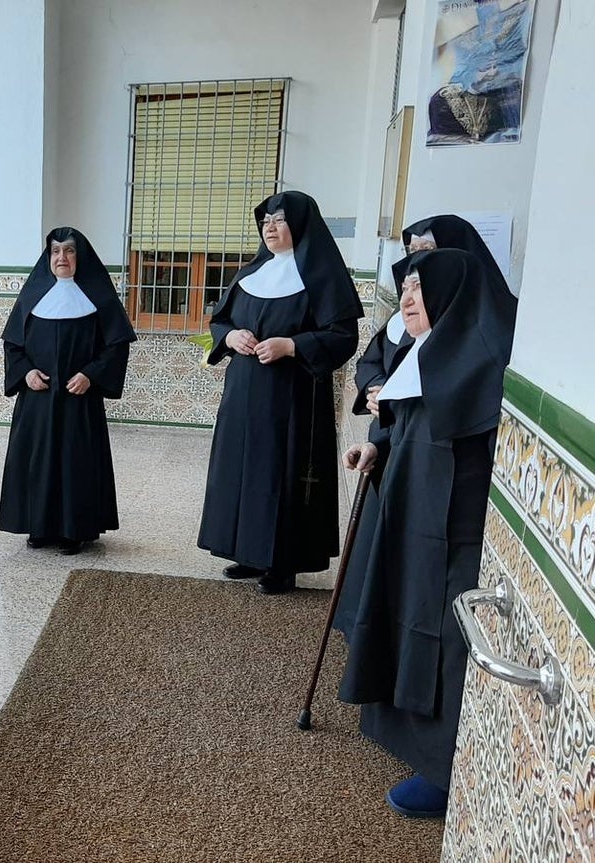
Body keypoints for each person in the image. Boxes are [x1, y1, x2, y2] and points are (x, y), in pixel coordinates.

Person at [338, 248, 517, 819]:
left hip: (455, 533)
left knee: (445, 640)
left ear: (451, 297)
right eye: (405, 287)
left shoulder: (483, 363)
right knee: (403, 614)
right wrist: (376, 442)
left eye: (418, 287)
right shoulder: (426, 353)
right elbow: (405, 416)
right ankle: (408, 742)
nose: (407, 298)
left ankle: (445, 770)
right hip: (409, 515)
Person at [336, 213, 514, 638]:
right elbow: (389, 374)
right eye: (409, 275)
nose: (409, 296)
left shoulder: (488, 348)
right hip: (401, 482)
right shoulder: (411, 330)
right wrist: (381, 437)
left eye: (426, 261)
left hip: (447, 519)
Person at [197, 191, 362, 594]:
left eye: (280, 220)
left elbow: (343, 336)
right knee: (243, 470)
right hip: (244, 395)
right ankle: (248, 551)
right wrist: (231, 335)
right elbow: (219, 321)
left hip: (293, 397)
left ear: (301, 224)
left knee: (280, 474)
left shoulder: (321, 276)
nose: (270, 227)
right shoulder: (251, 273)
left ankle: (282, 563)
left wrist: (292, 346)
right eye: (265, 221)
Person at [0, 227, 137, 554]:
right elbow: (13, 345)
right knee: (38, 461)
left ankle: (76, 530)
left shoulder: (99, 298)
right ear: (48, 257)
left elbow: (116, 347)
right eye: (56, 251)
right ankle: (39, 526)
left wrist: (91, 374)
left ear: (80, 256)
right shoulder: (32, 297)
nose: (62, 257)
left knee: (76, 462)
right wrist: (26, 372)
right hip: (38, 400)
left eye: (69, 251)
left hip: (79, 399)